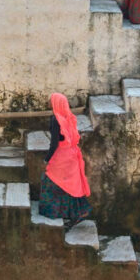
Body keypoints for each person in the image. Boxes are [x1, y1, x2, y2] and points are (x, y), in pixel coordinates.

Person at [39, 93, 92, 230]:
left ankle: (60, 212)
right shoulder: (69, 118)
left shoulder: (55, 119)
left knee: (50, 180)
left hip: (61, 156)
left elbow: (54, 144)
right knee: (70, 186)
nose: (49, 103)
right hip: (72, 156)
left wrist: (47, 159)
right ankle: (78, 212)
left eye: (51, 101)